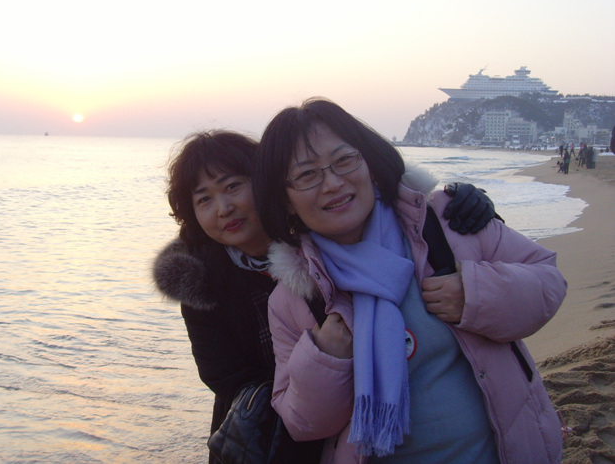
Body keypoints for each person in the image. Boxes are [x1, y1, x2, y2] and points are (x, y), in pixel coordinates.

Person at [152, 129, 499, 464]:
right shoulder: (202, 279)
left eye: (233, 186)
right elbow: (224, 377)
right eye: (204, 199)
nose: (224, 208)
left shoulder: (325, 236)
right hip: (270, 441)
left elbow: (398, 212)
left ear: (268, 182)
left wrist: (467, 203)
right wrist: (318, 370)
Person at [252, 98, 567, 464]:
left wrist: (476, 293)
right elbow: (302, 424)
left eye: (344, 160)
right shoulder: (294, 298)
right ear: (285, 201)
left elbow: (548, 280)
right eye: (307, 175)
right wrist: (325, 358)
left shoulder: (445, 223)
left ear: (369, 163)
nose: (333, 183)